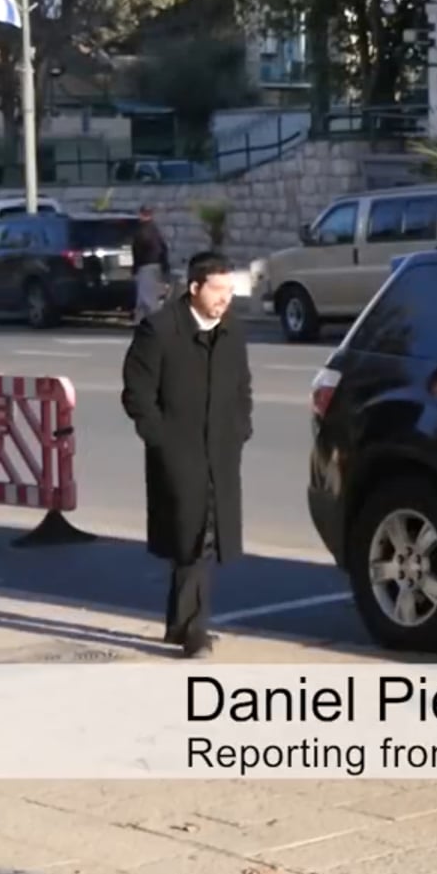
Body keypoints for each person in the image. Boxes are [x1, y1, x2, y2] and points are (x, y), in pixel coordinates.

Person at [121, 250, 253, 658]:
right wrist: (159, 440)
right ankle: (195, 632)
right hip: (178, 452)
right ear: (194, 288)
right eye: (217, 289)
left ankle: (183, 626)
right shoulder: (159, 330)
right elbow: (137, 394)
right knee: (193, 536)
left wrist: (240, 429)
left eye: (229, 290)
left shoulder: (232, 330)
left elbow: (241, 389)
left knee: (202, 538)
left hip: (220, 451)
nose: (224, 298)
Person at [131, 206, 170, 324]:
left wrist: (135, 267)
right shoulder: (155, 230)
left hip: (146, 266)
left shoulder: (142, 231)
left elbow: (138, 250)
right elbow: (163, 248)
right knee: (144, 296)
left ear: (141, 214)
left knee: (148, 297)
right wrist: (164, 266)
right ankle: (140, 320)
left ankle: (156, 322)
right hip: (155, 265)